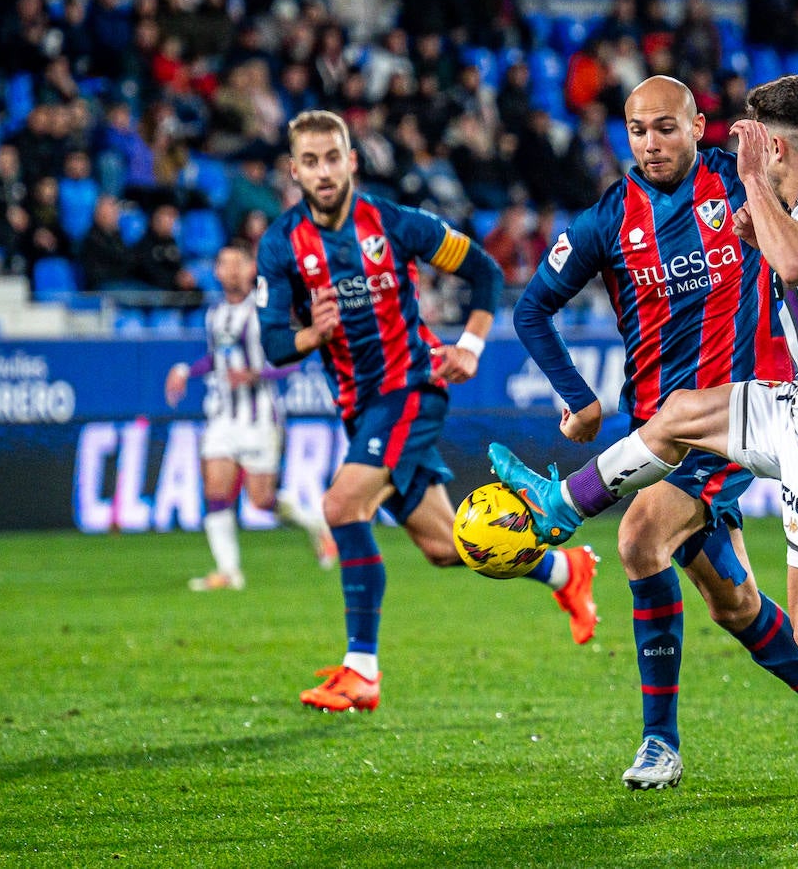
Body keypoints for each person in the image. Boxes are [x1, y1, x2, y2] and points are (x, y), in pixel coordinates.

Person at [491, 75, 798, 817]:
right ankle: (561, 503)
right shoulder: (752, 207)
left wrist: (749, 189)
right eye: (637, 130)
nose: (654, 144)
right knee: (729, 578)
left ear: (771, 144)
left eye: (669, 128)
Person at [256, 110, 599, 713]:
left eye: (332, 157)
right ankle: (566, 573)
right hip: (360, 409)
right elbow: (273, 345)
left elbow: (484, 272)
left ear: (352, 161)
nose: (323, 171)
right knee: (446, 547)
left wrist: (469, 344)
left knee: (340, 505)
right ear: (294, 170)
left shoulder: (395, 223)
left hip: (411, 388)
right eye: (309, 162)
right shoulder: (281, 243)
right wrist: (313, 334)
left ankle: (361, 670)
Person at [165, 242, 337, 590]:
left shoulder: (265, 312)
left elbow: (293, 357)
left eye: (237, 263)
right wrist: (185, 370)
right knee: (216, 491)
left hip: (259, 419)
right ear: (215, 271)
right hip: (223, 417)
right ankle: (228, 572)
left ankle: (316, 525)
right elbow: (218, 358)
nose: (230, 270)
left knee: (261, 500)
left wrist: (256, 374)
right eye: (223, 264)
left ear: (249, 270)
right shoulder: (214, 315)